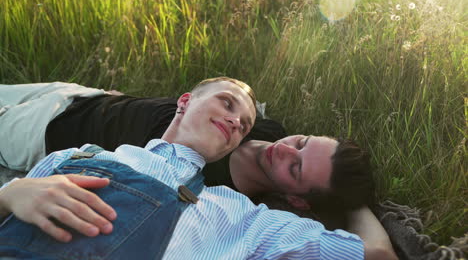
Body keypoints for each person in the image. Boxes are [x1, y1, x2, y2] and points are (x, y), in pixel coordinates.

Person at [0, 78, 397, 259]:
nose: (236, 122)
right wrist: (10, 196)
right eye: (227, 104)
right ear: (184, 101)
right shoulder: (84, 155)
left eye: (242, 123)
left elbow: (376, 254)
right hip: (72, 98)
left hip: (37, 135)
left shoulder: (237, 218)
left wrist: (357, 202)